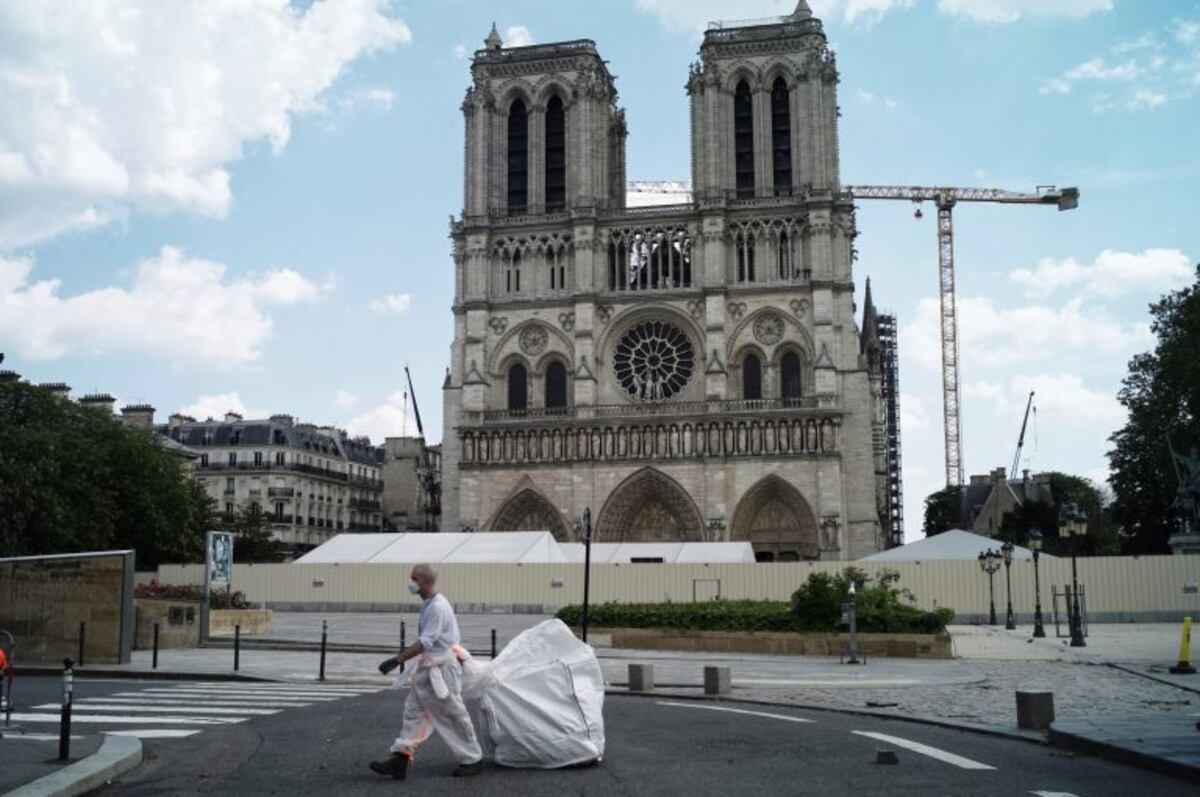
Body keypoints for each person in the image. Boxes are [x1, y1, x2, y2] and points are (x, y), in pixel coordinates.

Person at [370, 564, 484, 780]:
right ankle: (400, 759)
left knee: (453, 714)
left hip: (442, 671)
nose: (410, 581)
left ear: (424, 581)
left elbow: (426, 641)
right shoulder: (428, 604)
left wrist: (398, 659)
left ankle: (472, 758)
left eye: (413, 578)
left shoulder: (437, 607)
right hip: (429, 668)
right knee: (413, 711)